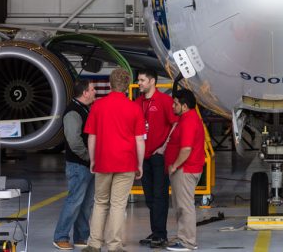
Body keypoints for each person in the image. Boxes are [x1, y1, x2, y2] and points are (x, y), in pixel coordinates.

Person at [83, 68, 145, 252]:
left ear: (110, 84)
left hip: (103, 161)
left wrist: (93, 160)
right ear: (127, 87)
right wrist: (139, 164)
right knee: (118, 205)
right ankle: (114, 245)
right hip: (126, 162)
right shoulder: (134, 108)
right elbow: (139, 139)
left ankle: (94, 244)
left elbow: (91, 137)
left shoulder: (98, 106)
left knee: (100, 203)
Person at [53, 79, 97, 250]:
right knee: (74, 201)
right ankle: (60, 236)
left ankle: (81, 237)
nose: (95, 92)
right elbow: (74, 141)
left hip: (87, 164)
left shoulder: (84, 108)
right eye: (92, 89)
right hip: (79, 165)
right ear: (85, 93)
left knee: (86, 203)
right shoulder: (73, 112)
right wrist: (89, 157)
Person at [136, 69, 177, 249]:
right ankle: (156, 231)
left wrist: (165, 146)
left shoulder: (165, 101)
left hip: (158, 156)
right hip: (143, 157)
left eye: (142, 80)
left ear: (152, 81)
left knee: (160, 196)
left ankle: (161, 234)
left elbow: (176, 122)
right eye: (138, 80)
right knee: (150, 197)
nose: (139, 83)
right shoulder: (137, 102)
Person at [165, 88, 205, 252]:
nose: (173, 106)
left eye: (175, 104)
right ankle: (183, 236)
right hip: (184, 169)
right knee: (180, 205)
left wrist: (174, 166)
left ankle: (188, 241)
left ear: (185, 105)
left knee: (184, 206)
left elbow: (186, 149)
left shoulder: (189, 121)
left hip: (185, 170)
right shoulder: (186, 118)